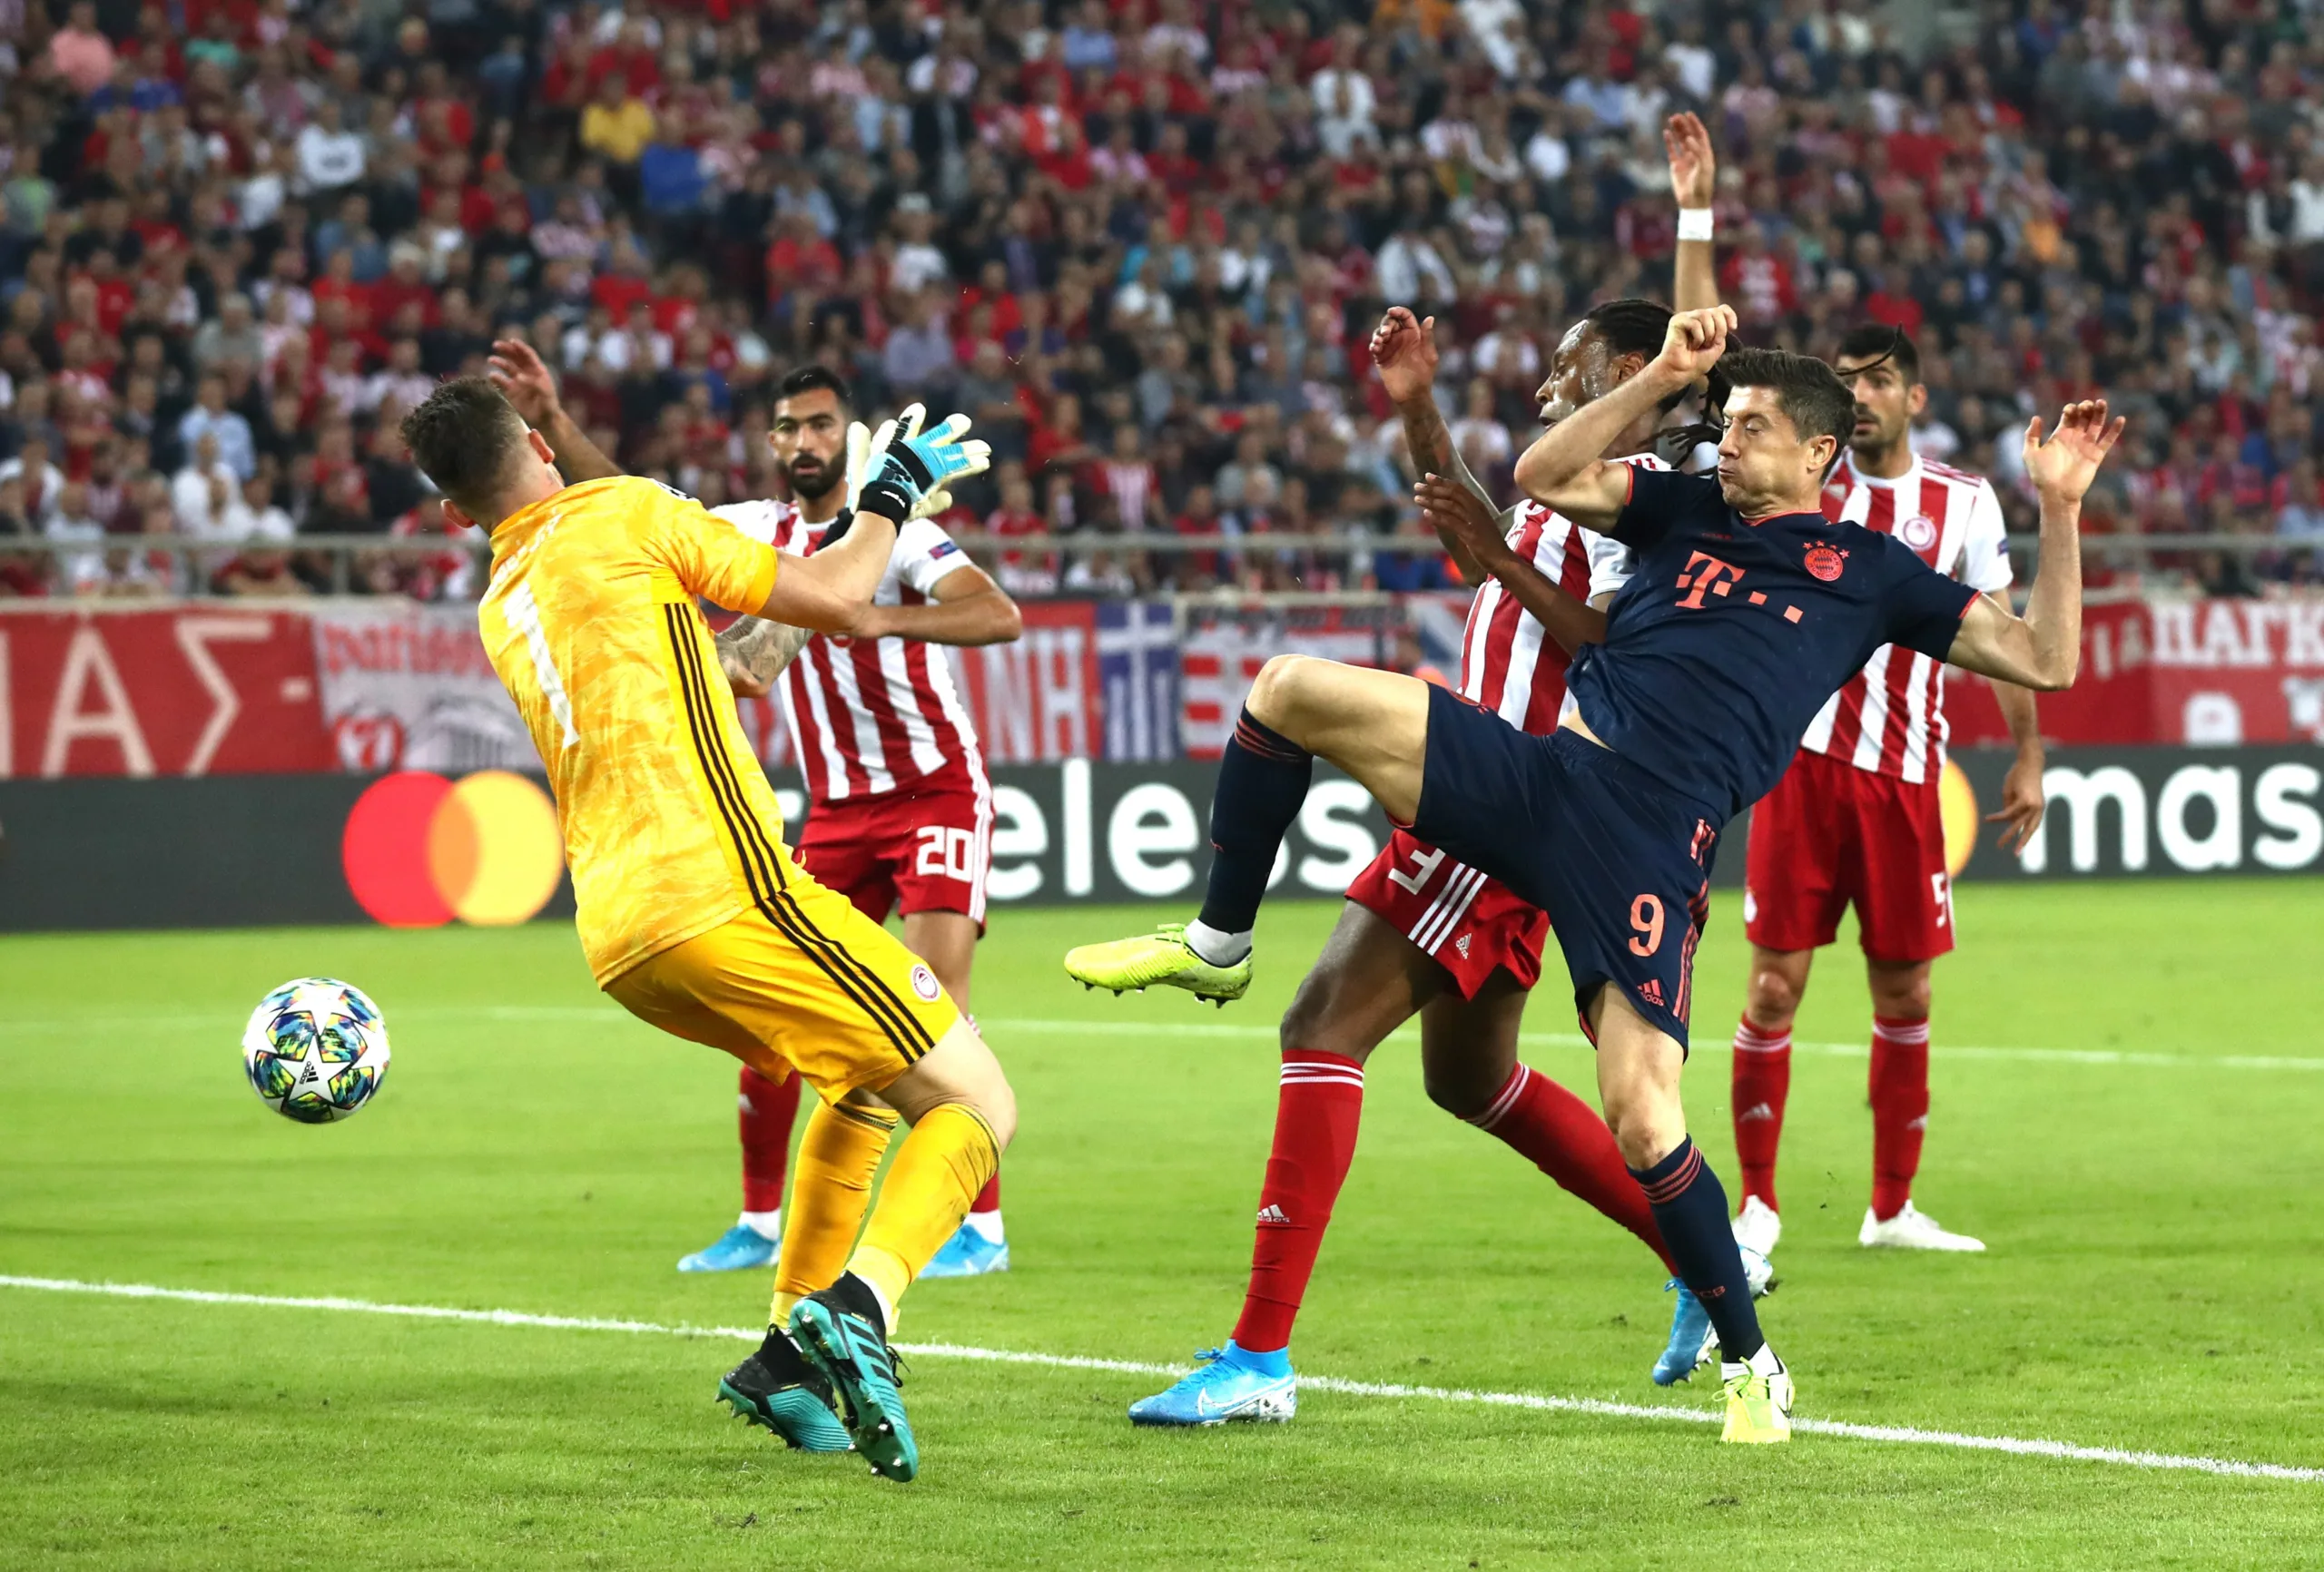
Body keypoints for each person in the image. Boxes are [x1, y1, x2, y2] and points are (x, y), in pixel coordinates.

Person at [1069, 304, 2124, 1444]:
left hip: (1648, 837)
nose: (1729, 439)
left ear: (1818, 453)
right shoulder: (1684, 506)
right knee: (1287, 689)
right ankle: (1219, 943)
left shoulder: (1869, 572)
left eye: (1756, 425)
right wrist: (1671, 371)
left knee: (1638, 1108)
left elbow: (2047, 660)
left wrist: (2059, 505)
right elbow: (1538, 470)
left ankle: (1750, 1362)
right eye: (1724, 419)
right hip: (1544, 772)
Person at [1127, 118, 1766, 1428]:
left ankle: (1257, 1359)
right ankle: (1700, 1267)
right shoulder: (1576, 478)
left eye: (1572, 363)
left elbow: (1605, 643)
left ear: (1634, 370)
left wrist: (1694, 218)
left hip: (1527, 794)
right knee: (1468, 1079)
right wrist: (1420, 414)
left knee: (1319, 1026)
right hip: (1497, 790)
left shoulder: (1656, 492)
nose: (1548, 382)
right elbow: (1477, 535)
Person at [399, 373, 1005, 1483]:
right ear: (538, 438)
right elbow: (832, 596)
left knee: (862, 1085)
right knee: (978, 1103)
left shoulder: (504, 597)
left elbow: (680, 650)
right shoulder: (626, 512)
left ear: (453, 513)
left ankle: (785, 1356)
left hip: (621, 941)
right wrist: (895, 492)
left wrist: (738, 649)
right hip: (723, 891)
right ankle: (858, 1307)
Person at [1728, 327, 2048, 1265]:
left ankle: (1891, 1206)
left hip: (1909, 780)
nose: (1860, 397)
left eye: (1878, 383)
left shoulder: (1962, 503)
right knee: (1772, 987)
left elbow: (2005, 637)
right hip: (1799, 769)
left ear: (1913, 398)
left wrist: (2027, 757)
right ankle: (1755, 1203)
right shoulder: (1799, 486)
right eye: (1848, 384)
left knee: (1905, 988)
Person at [703, 365, 1024, 1281]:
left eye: (818, 424)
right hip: (836, 810)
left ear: (849, 438)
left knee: (935, 1010)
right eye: (785, 428)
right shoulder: (754, 532)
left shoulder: (906, 535)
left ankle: (983, 1230)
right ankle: (758, 1221)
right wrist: (557, 420)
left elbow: (997, 615)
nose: (801, 442)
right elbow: (632, 504)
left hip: (935, 794)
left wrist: (877, 617)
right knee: (772, 1014)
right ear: (769, 445)